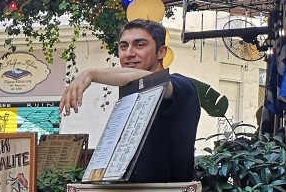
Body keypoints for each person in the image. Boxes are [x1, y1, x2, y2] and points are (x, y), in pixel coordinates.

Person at [59, 19, 200, 183]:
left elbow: (158, 82)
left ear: (161, 52)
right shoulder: (129, 96)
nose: (129, 53)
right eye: (123, 46)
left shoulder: (181, 86)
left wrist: (91, 74)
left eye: (140, 45)